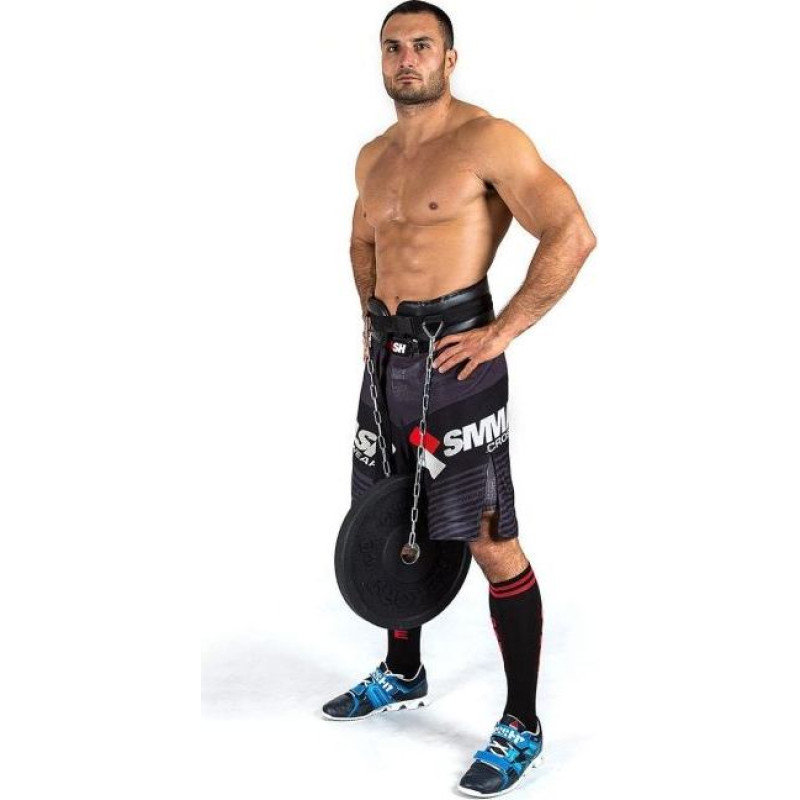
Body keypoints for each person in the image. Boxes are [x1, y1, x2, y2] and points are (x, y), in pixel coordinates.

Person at [321, 3, 596, 796]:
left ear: (450, 57)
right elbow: (362, 241)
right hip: (387, 361)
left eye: (421, 46)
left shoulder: (488, 140)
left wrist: (502, 331)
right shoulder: (373, 156)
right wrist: (368, 321)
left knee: (484, 534)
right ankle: (402, 671)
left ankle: (522, 723)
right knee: (385, 517)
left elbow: (571, 232)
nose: (405, 59)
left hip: (458, 361)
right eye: (392, 47)